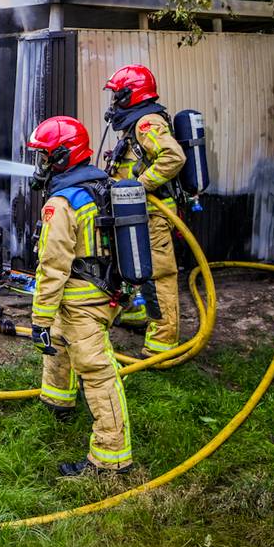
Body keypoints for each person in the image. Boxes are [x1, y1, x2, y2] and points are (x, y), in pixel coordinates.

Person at [27, 115, 134, 477]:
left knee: (97, 370)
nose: (39, 165)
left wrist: (39, 318)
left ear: (61, 157)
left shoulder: (62, 204)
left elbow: (52, 266)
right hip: (102, 290)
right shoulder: (101, 184)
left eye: (43, 157)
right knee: (58, 342)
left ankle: (111, 457)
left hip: (83, 300)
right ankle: (58, 402)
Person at [104, 64, 186, 356]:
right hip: (138, 211)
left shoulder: (146, 122)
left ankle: (163, 342)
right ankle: (139, 314)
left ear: (131, 94)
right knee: (134, 265)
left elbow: (173, 157)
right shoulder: (134, 123)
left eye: (117, 95)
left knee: (158, 274)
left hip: (153, 211)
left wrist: (139, 187)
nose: (114, 102)